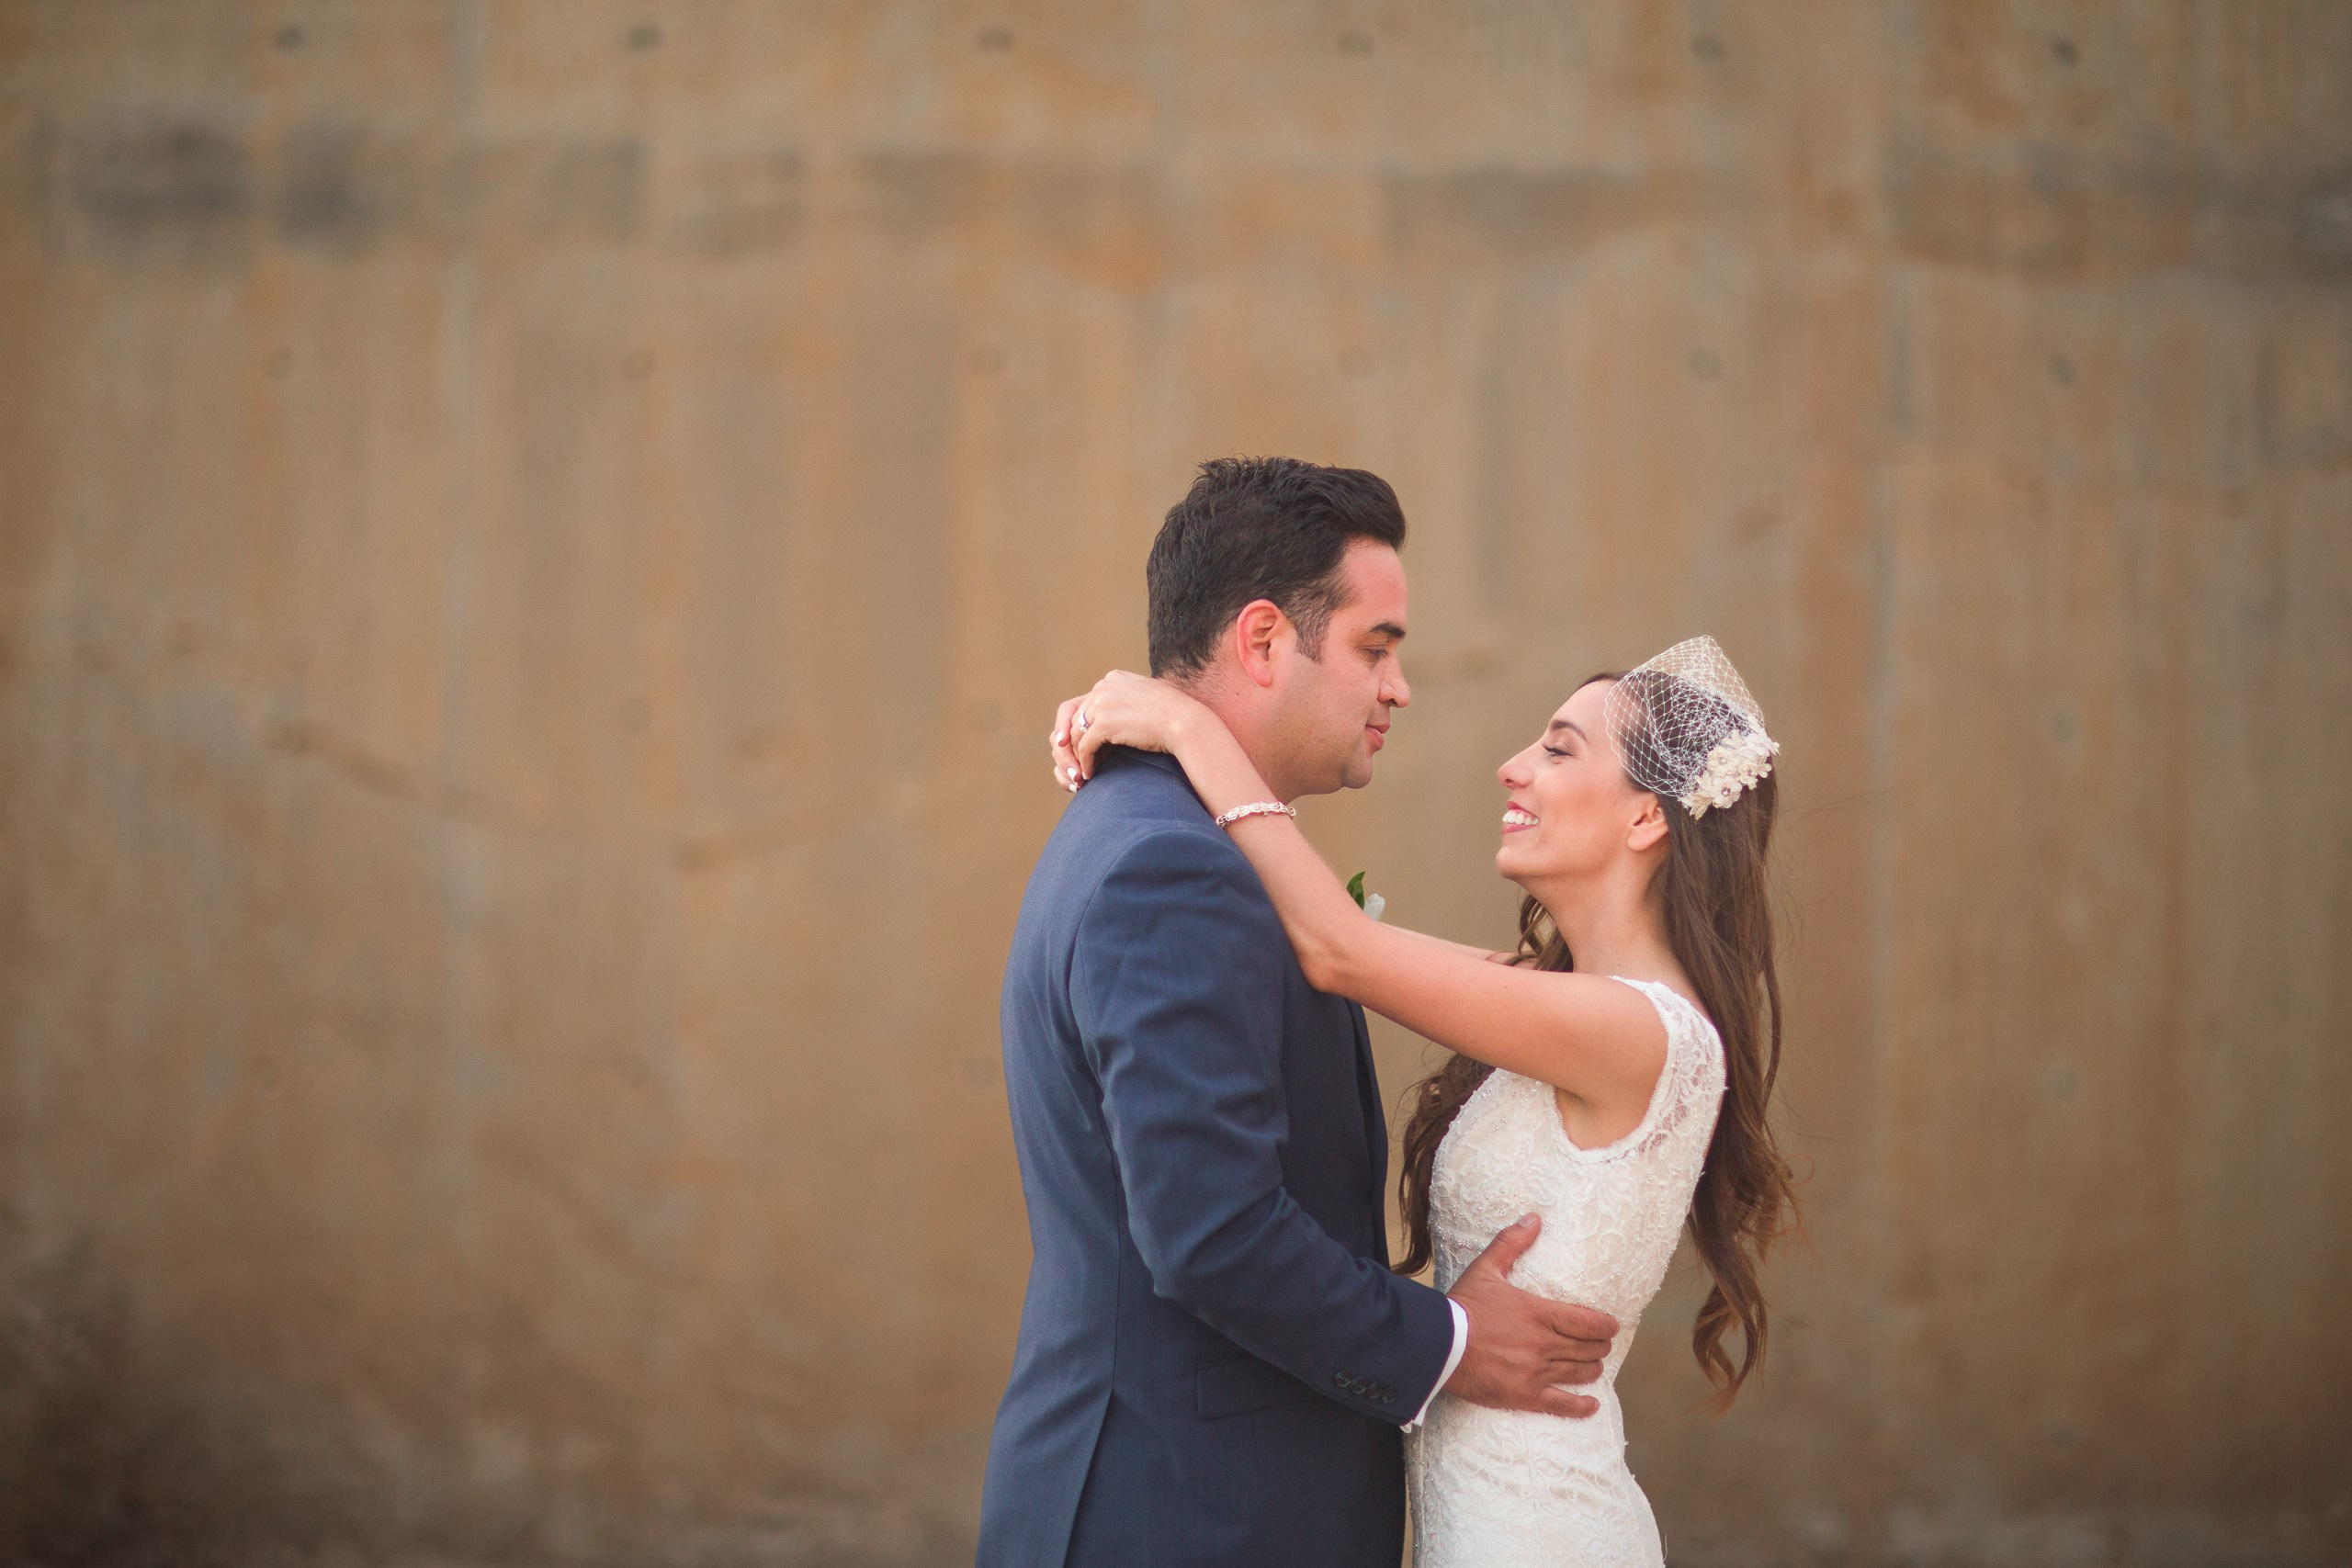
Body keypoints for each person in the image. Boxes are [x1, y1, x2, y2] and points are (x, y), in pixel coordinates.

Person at [977, 458, 1623, 1568]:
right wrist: (1452, 1343)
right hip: (1183, 1517)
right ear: (1265, 640)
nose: (1398, 688)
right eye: (1376, 647)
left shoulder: (1166, 838)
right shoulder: (1173, 870)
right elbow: (1211, 1233)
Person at [1046, 633, 1796, 1568]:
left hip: (1541, 1535)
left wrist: (1187, 725)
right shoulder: (1565, 1004)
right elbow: (1328, 940)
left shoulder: (1636, 1032)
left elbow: (1340, 950)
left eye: (1558, 749)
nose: (1513, 766)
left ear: (1648, 818)